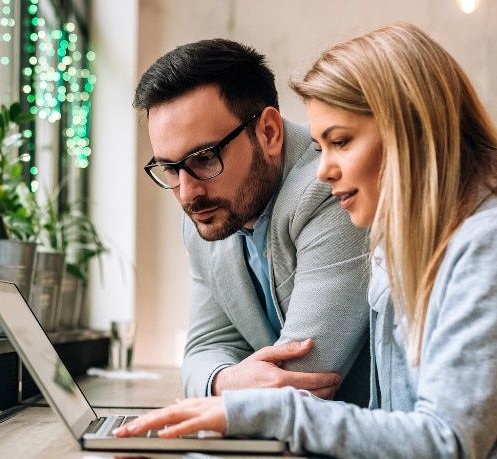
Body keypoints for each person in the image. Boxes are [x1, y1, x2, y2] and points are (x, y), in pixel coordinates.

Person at [117, 23, 497, 457]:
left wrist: (256, 408)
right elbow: (394, 419)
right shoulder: (405, 244)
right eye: (322, 146)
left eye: (341, 142)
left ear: (411, 132)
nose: (323, 171)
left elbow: (448, 442)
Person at [134, 39, 372, 404]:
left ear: (269, 133)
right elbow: (204, 349)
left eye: (204, 158)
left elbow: (303, 376)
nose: (186, 194)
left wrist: (227, 386)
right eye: (170, 168)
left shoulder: (334, 187)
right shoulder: (210, 215)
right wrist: (224, 381)